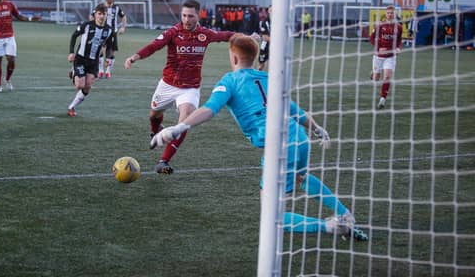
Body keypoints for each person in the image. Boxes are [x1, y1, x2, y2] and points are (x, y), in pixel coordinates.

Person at [151, 33, 368, 241]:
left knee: (273, 217)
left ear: (234, 57)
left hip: (279, 146)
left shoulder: (230, 80)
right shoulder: (267, 78)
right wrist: (317, 128)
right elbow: (295, 111)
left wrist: (177, 128)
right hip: (300, 138)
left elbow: (209, 109)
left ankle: (333, 226)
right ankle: (345, 213)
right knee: (301, 177)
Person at [124, 0, 235, 174]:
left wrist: (248, 37)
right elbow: (154, 46)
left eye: (190, 16)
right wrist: (134, 57)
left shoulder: (205, 34)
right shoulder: (173, 32)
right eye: (184, 15)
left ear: (198, 15)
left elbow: (227, 36)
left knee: (184, 123)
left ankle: (163, 161)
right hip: (168, 84)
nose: (186, 19)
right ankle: (155, 132)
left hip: (190, 88)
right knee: (154, 115)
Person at [0, 0, 41, 93]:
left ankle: (8, 79)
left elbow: (19, 16)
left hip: (9, 37)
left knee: (11, 60)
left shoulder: (9, 5)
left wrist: (30, 19)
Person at [67, 3, 113, 117]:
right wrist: (71, 52)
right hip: (81, 59)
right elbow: (74, 36)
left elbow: (109, 45)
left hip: (94, 62)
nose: (102, 16)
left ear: (107, 15)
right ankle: (73, 71)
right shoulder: (87, 25)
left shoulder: (109, 30)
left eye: (104, 14)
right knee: (79, 86)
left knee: (87, 87)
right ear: (95, 14)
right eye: (99, 14)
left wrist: (108, 57)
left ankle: (71, 107)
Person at [370, 5, 403, 109]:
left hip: (390, 56)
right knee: (376, 78)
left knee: (387, 77)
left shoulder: (399, 27)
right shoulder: (380, 25)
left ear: (394, 14)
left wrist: (398, 48)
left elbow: (399, 40)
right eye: (388, 13)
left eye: (392, 13)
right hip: (378, 56)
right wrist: (378, 48)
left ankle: (382, 100)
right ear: (386, 14)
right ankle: (373, 72)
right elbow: (371, 38)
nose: (390, 15)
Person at [98, 0, 127, 79]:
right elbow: (92, 15)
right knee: (100, 50)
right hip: (102, 31)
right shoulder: (101, 7)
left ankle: (108, 71)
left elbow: (123, 17)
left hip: (113, 32)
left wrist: (123, 27)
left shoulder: (117, 8)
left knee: (111, 52)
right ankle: (100, 70)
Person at [257, 6, 271, 71]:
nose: (272, 12)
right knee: (261, 65)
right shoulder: (264, 22)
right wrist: (277, 41)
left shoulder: (279, 22)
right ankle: (258, 78)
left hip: (275, 47)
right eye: (270, 10)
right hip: (265, 46)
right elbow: (265, 37)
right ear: (268, 11)